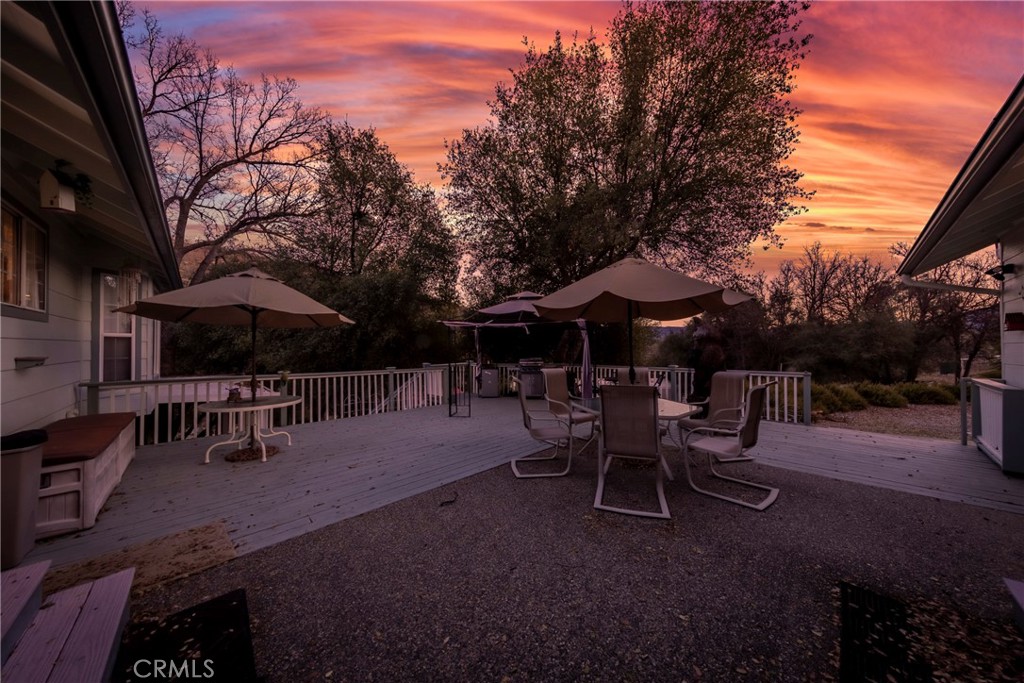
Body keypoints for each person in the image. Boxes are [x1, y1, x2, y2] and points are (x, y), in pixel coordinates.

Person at [687, 317, 726, 416]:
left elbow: (703, 368)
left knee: (702, 411)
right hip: (703, 388)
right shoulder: (709, 349)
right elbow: (691, 363)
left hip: (706, 389)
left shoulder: (711, 350)